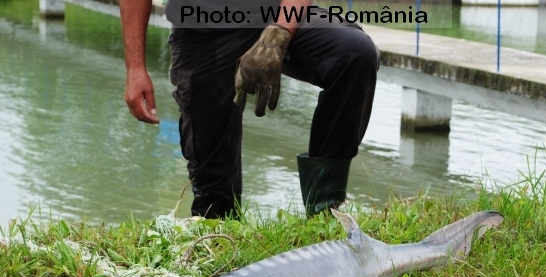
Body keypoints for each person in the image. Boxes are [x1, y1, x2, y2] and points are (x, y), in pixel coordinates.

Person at [120, 0, 379, 218]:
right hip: (201, 28)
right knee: (214, 189)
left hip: (276, 16)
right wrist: (135, 68)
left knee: (354, 54)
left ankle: (326, 212)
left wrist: (280, 34)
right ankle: (217, 236)